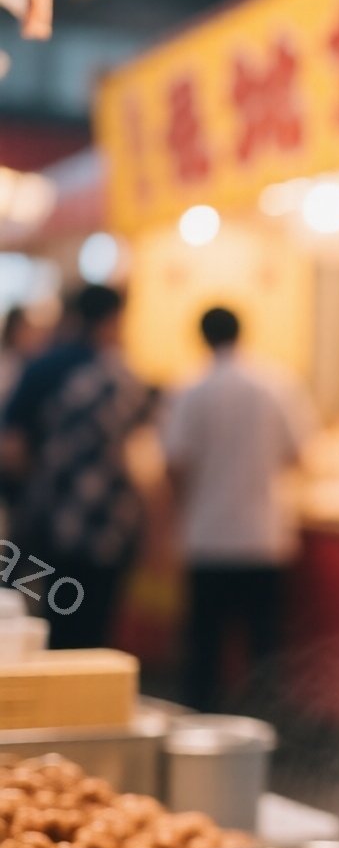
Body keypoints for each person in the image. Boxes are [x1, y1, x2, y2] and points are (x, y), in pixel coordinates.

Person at [162, 307, 315, 712]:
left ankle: (199, 729)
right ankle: (266, 727)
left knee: (204, 646)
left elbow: (175, 465)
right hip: (263, 537)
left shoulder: (190, 388)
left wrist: (180, 513)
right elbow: (300, 455)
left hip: (207, 536)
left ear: (201, 337)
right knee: (264, 644)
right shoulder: (277, 385)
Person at [0, 283, 151, 648]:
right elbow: (144, 457)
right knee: (97, 628)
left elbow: (11, 446)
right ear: (112, 319)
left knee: (53, 614)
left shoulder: (42, 366)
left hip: (52, 523)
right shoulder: (124, 377)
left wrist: (33, 489)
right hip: (110, 524)